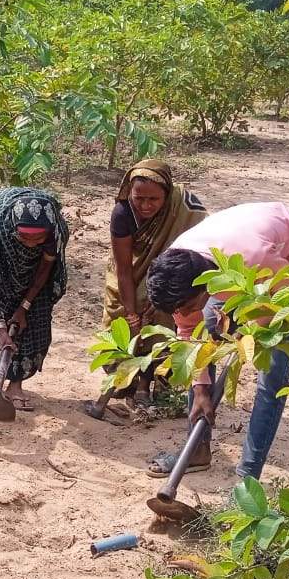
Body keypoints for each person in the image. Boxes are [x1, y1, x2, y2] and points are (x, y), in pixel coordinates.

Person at [144, 201, 289, 480]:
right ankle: (197, 451)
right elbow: (190, 338)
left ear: (203, 286)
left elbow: (281, 303)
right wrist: (200, 391)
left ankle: (248, 476)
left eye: (185, 306)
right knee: (204, 336)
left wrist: (245, 335)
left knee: (271, 376)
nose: (181, 314)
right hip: (238, 259)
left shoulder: (254, 259)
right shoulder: (178, 266)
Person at [84, 159, 206, 417]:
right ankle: (127, 380)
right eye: (139, 198)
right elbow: (125, 270)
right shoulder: (122, 213)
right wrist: (131, 312)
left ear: (167, 194)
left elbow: (197, 251)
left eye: (154, 199)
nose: (145, 206)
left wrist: (161, 295)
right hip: (130, 274)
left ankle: (151, 383)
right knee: (125, 325)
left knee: (165, 321)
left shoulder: (183, 209)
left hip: (172, 275)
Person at [0, 187, 69, 411]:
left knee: (34, 319)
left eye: (37, 238)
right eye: (24, 237)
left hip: (34, 273)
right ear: (14, 230)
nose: (30, 244)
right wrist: (1, 330)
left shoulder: (53, 234)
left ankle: (15, 384)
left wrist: (24, 306)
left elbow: (46, 269)